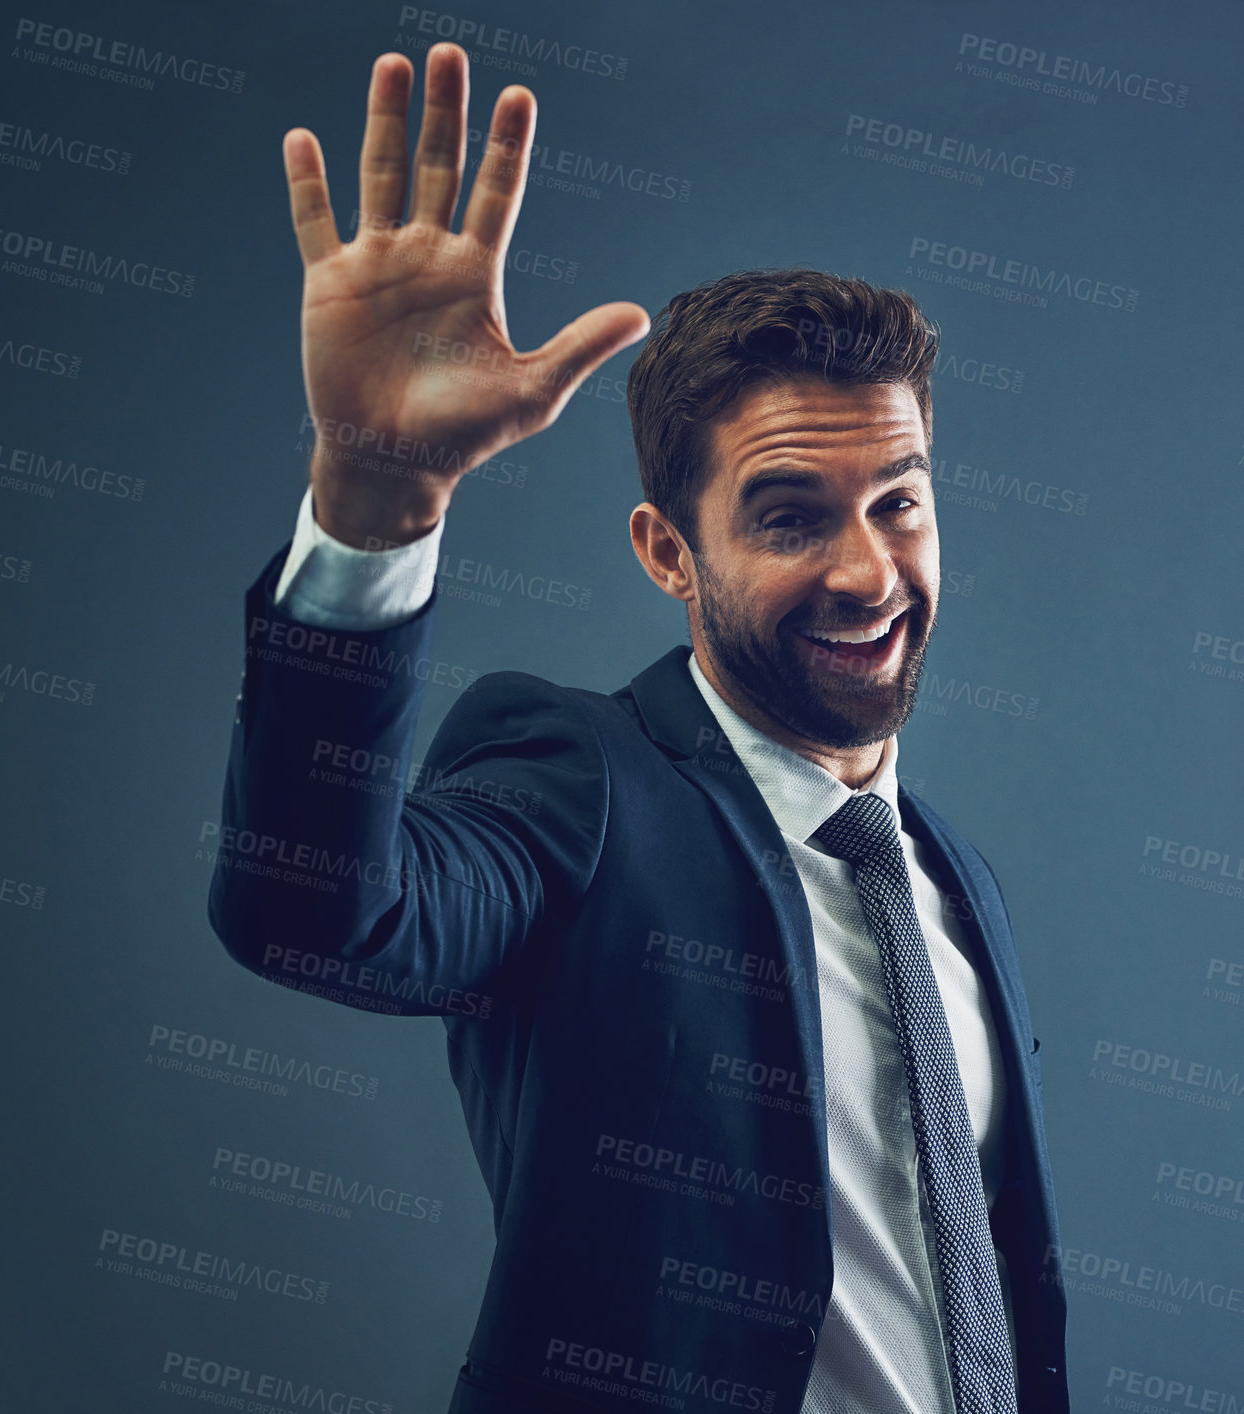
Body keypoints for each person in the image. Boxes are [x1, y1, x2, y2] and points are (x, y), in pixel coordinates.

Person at [209, 41, 1068, 1414]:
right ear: (668, 552)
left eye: (897, 499)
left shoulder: (946, 879)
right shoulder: (578, 782)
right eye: (789, 515)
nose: (867, 569)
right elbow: (318, 913)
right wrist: (374, 503)